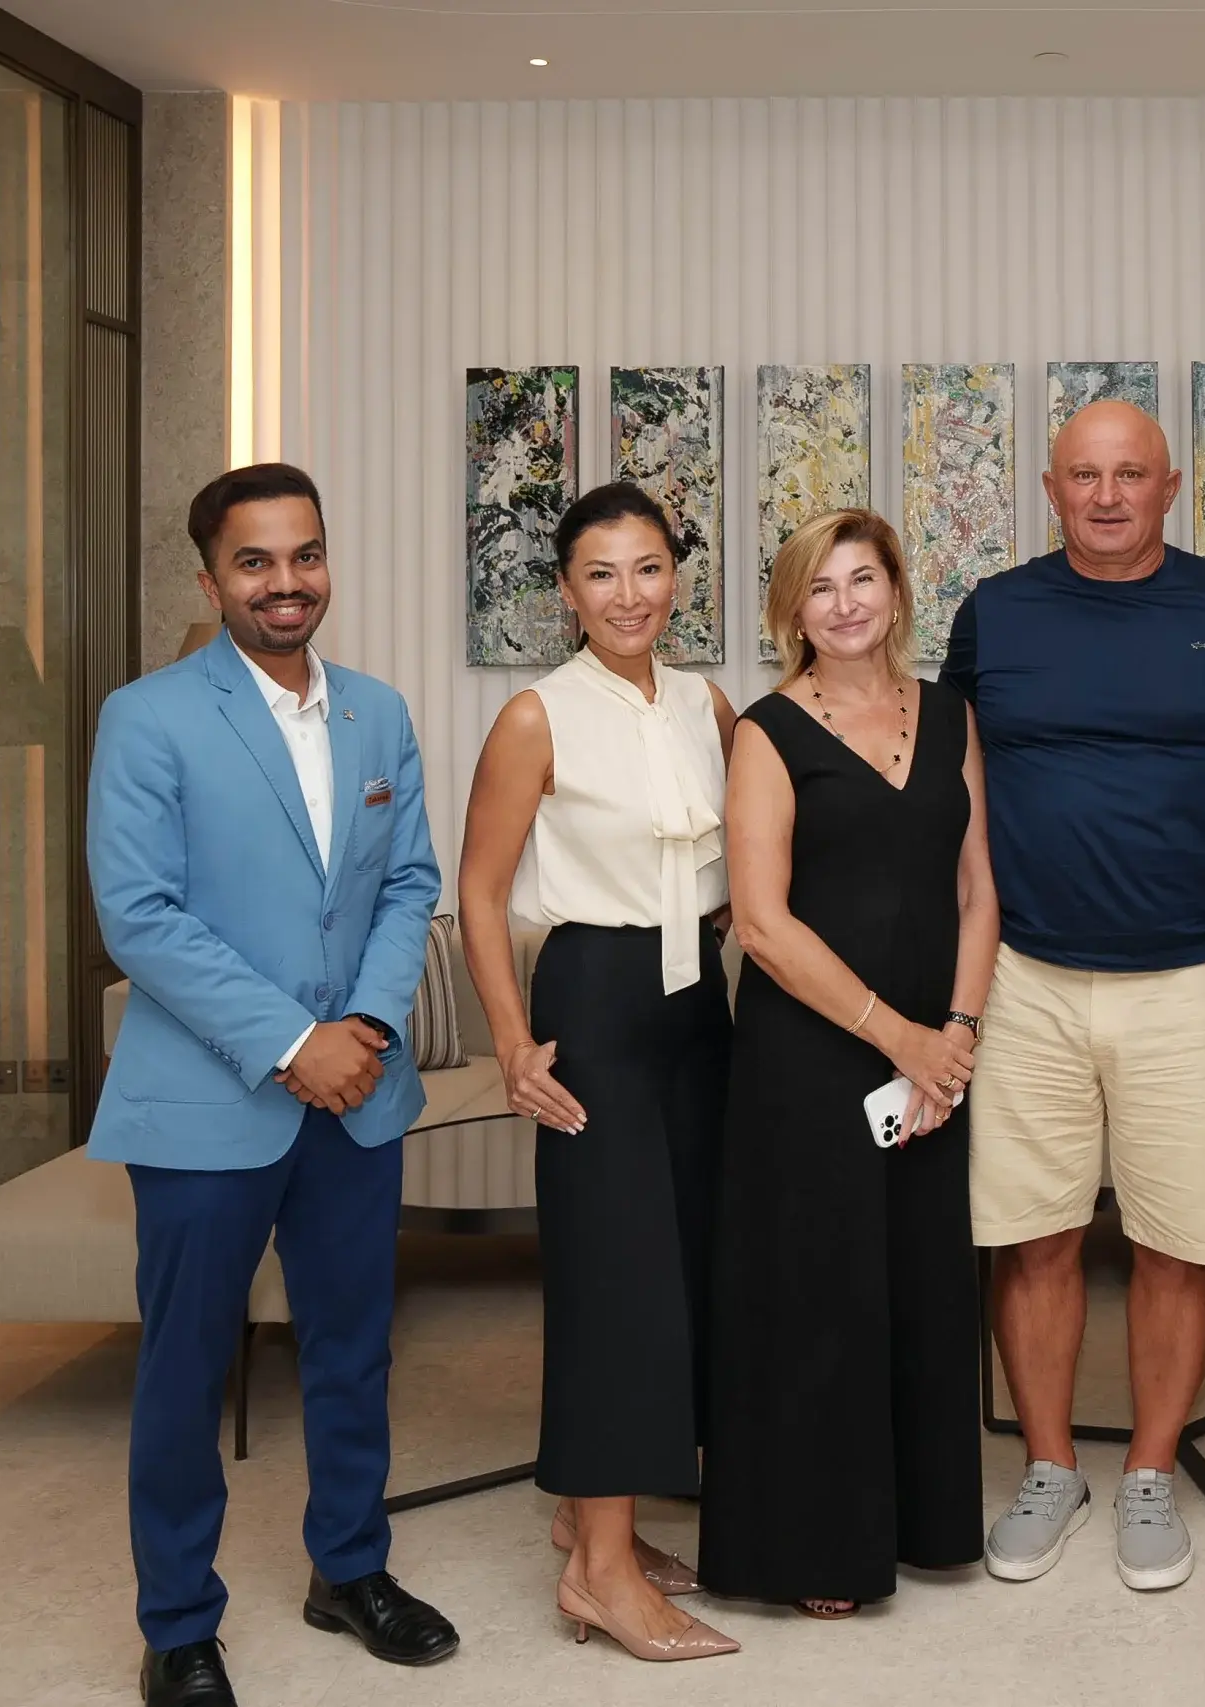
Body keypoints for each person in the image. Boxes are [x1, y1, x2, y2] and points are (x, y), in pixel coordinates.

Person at [87, 463, 457, 1707]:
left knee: (353, 1354)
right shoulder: (146, 717)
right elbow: (139, 917)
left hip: (357, 1101)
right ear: (211, 580)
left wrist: (358, 1025)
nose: (284, 582)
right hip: (205, 1109)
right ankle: (179, 1624)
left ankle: (349, 1569)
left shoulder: (378, 715)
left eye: (303, 556)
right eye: (255, 562)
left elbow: (410, 882)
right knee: (187, 1372)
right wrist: (294, 1044)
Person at [942, 399, 1205, 1591]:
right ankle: (1052, 1465)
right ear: (1049, 488)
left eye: (1131, 475)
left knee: (1183, 1243)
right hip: (1026, 979)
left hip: (1192, 979)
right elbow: (940, 783)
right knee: (1036, 1236)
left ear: (1170, 484)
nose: (1108, 496)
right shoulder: (995, 612)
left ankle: (1150, 1470)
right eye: (1085, 476)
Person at [459, 481, 740, 1663]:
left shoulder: (709, 704)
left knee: (684, 1267)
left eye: (648, 569)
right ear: (565, 592)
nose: (629, 595)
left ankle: (590, 1521)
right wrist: (513, 1041)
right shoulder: (536, 716)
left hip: (698, 1010)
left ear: (678, 576)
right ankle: (607, 1579)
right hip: (596, 1005)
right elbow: (477, 889)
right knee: (615, 1282)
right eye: (600, 574)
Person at [699, 507, 998, 1616]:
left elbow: (978, 887)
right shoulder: (767, 731)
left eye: (862, 579)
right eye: (819, 587)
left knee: (922, 1284)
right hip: (812, 1056)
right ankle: (816, 1546)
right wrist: (903, 1040)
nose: (844, 603)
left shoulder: (952, 714)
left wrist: (957, 1035)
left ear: (895, 591)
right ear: (790, 609)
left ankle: (921, 1523)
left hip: (936, 1049)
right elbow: (765, 927)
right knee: (817, 1295)